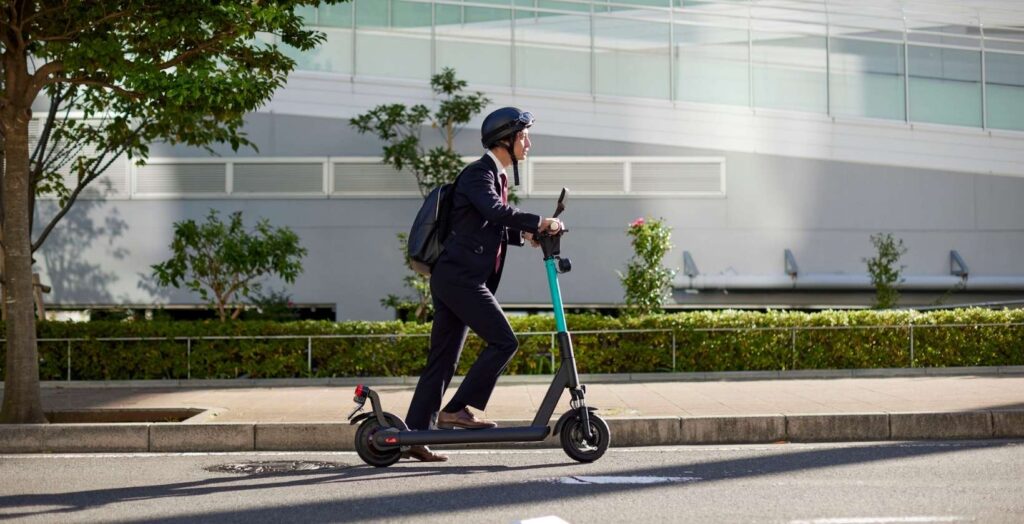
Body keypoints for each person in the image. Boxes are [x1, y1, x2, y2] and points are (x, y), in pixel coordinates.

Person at [402, 107, 563, 462]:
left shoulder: (496, 177)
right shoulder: (479, 174)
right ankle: (458, 409)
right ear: (504, 139)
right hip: (460, 278)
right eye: (523, 136)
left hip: (456, 277)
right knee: (505, 341)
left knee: (443, 360)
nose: (528, 143)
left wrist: (525, 236)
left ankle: (414, 435)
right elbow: (494, 212)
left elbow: (490, 225)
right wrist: (540, 222)